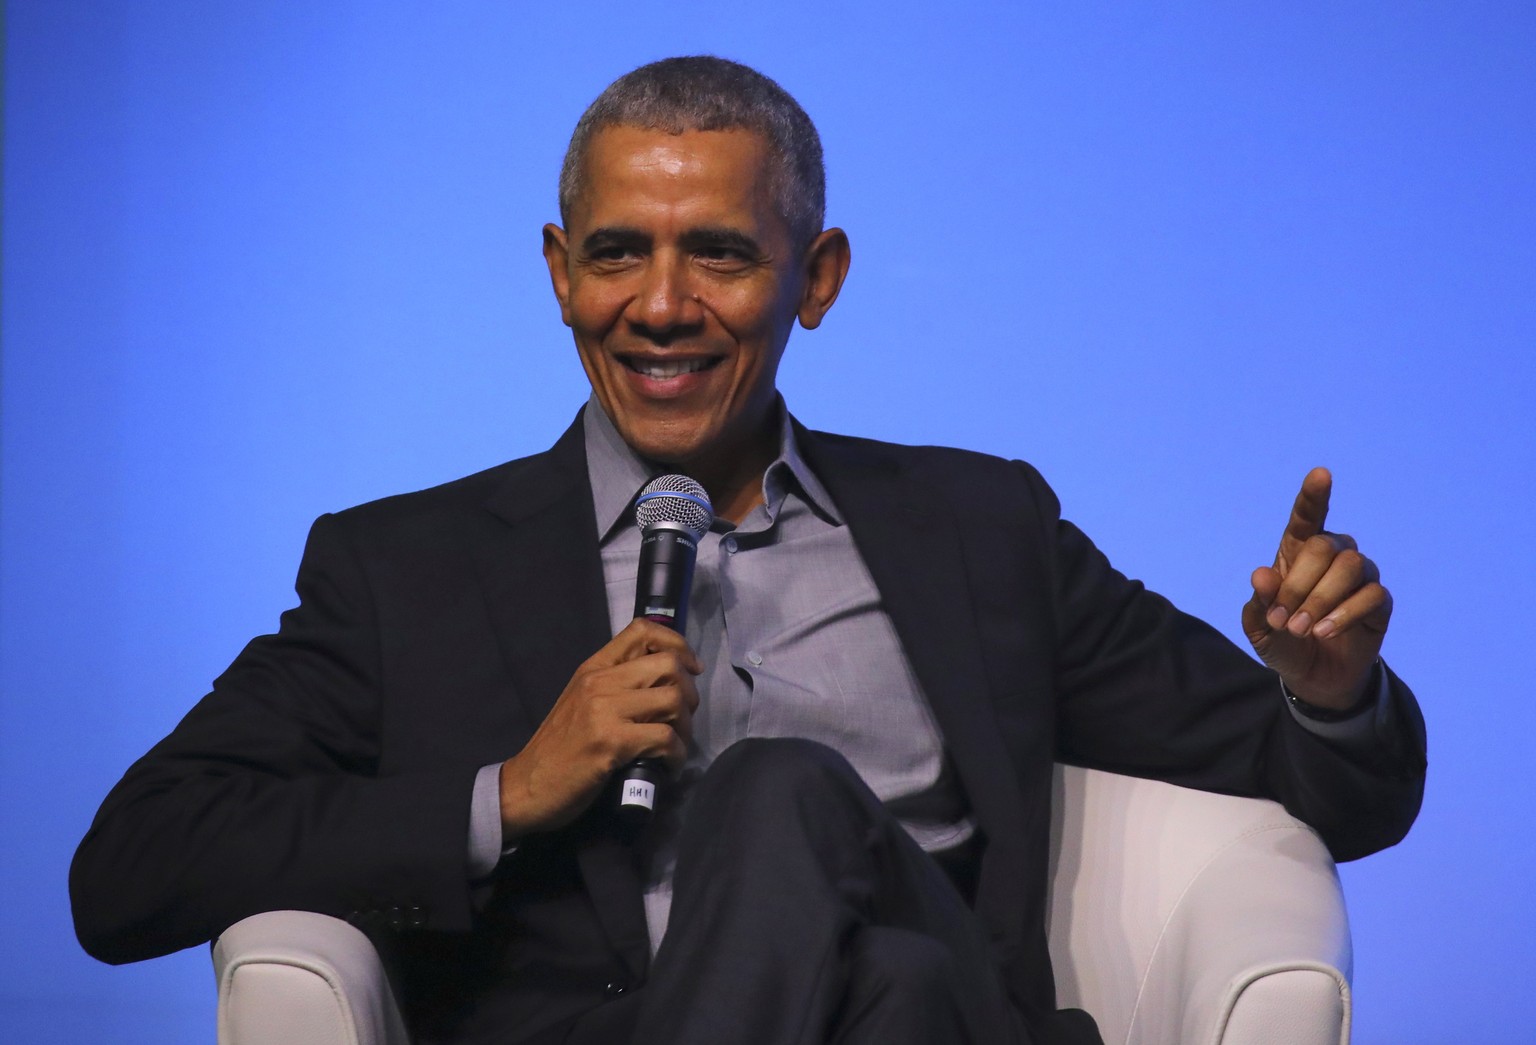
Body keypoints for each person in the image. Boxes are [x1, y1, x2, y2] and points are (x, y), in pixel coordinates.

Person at [70, 56, 1426, 1045]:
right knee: (880, 984)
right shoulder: (401, 568)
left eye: (718, 254)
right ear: (558, 272)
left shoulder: (979, 531)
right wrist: (511, 790)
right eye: (617, 256)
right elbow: (129, 866)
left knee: (784, 796)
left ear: (816, 278)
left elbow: (1321, 789)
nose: (659, 307)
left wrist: (1327, 689)